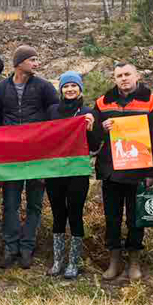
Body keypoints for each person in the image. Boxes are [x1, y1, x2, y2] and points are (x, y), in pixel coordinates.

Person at [91, 62, 153, 282]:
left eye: (127, 74)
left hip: (139, 171)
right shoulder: (102, 102)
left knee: (137, 218)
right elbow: (93, 137)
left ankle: (134, 261)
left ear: (137, 76)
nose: (123, 78)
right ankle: (114, 261)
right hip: (111, 171)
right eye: (119, 75)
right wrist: (100, 128)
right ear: (114, 79)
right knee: (112, 218)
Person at [0, 45, 59, 268]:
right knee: (10, 203)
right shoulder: (0, 89)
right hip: (11, 157)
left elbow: (55, 118)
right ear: (19, 63)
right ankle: (11, 248)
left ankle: (27, 247)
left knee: (35, 204)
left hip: (38, 156)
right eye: (32, 60)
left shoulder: (45, 87)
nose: (36, 64)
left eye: (37, 60)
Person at [45, 72, 96, 280]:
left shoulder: (86, 112)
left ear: (80, 89)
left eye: (74, 86)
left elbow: (93, 146)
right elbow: (43, 138)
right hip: (55, 171)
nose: (70, 90)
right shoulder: (52, 111)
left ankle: (74, 261)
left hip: (77, 172)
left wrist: (91, 129)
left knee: (75, 213)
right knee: (58, 214)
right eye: (66, 86)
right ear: (61, 90)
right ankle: (57, 260)